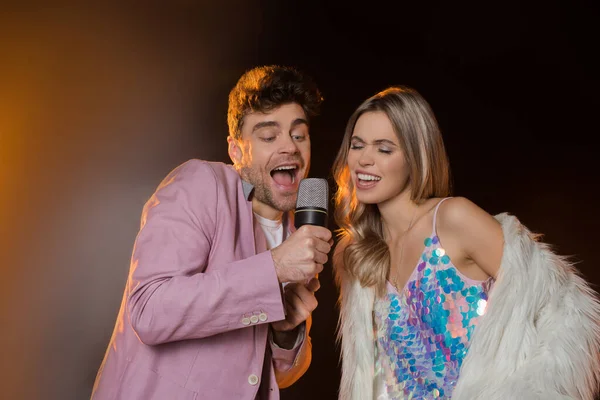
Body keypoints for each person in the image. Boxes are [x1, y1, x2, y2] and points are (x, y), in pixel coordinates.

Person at [332, 86, 600, 400]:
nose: (364, 160)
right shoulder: (354, 254)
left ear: (415, 156)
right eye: (357, 145)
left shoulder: (453, 219)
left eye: (384, 149)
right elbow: (372, 378)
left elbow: (572, 313)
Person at [91, 65, 333, 400]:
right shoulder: (202, 184)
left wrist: (285, 332)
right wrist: (273, 268)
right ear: (236, 151)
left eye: (298, 134)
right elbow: (149, 310)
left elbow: (268, 376)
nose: (289, 147)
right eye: (268, 136)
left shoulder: (297, 234)